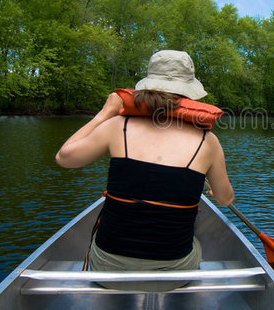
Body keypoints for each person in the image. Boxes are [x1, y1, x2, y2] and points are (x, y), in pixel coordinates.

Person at [55, 50, 234, 291]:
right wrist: (215, 191)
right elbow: (225, 199)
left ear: (148, 86)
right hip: (175, 273)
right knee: (197, 241)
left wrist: (104, 113)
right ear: (188, 91)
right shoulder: (207, 141)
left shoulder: (119, 125)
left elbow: (64, 158)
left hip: (109, 268)